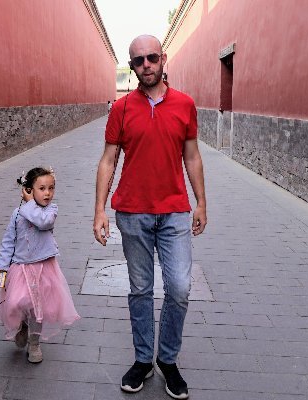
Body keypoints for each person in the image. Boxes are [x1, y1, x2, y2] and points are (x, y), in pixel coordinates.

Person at [93, 35, 207, 399]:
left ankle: (167, 359)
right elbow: (108, 159)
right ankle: (144, 359)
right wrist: (99, 210)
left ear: (163, 58)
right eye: (138, 61)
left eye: (152, 58)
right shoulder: (122, 108)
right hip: (132, 213)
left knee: (180, 288)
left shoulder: (185, 104)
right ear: (132, 66)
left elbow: (192, 156)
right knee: (141, 290)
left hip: (174, 212)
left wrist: (201, 202)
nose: (146, 65)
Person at [0, 166, 80, 363]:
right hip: (21, 268)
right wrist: (2, 265)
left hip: (44, 268)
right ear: (29, 190)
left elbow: (44, 223)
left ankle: (34, 343)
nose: (47, 193)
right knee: (17, 303)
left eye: (51, 188)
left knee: (37, 308)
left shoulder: (50, 211)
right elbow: (8, 240)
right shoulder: (17, 214)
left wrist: (29, 203)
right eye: (42, 189)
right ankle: (23, 326)